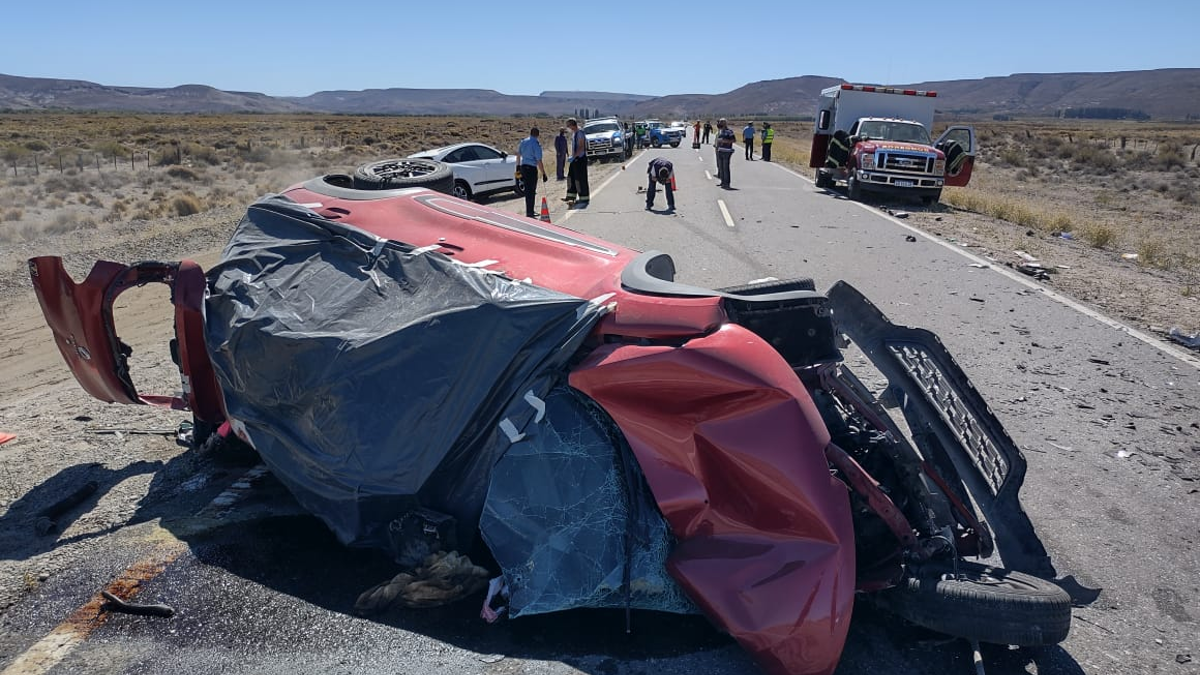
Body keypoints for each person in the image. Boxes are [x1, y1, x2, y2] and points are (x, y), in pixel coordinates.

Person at [516, 127, 549, 218]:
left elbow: (518, 155)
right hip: (531, 169)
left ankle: (529, 211)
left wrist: (518, 168)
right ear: (538, 135)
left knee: (527, 191)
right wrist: (543, 173)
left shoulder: (523, 142)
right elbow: (539, 160)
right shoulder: (535, 144)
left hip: (523, 167)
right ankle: (530, 212)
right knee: (532, 190)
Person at [564, 118, 589, 206]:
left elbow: (581, 147)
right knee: (571, 177)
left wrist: (574, 156)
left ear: (572, 125)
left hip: (580, 159)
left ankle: (584, 198)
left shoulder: (580, 133)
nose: (568, 127)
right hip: (575, 159)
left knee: (581, 179)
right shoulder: (574, 134)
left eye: (568, 125)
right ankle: (571, 196)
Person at [715, 118, 735, 188]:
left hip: (727, 151)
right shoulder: (720, 131)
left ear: (724, 123)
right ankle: (722, 182)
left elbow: (733, 140)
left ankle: (727, 183)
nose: (719, 123)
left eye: (721, 122)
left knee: (725, 167)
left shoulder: (729, 131)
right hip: (720, 150)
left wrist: (725, 141)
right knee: (721, 167)